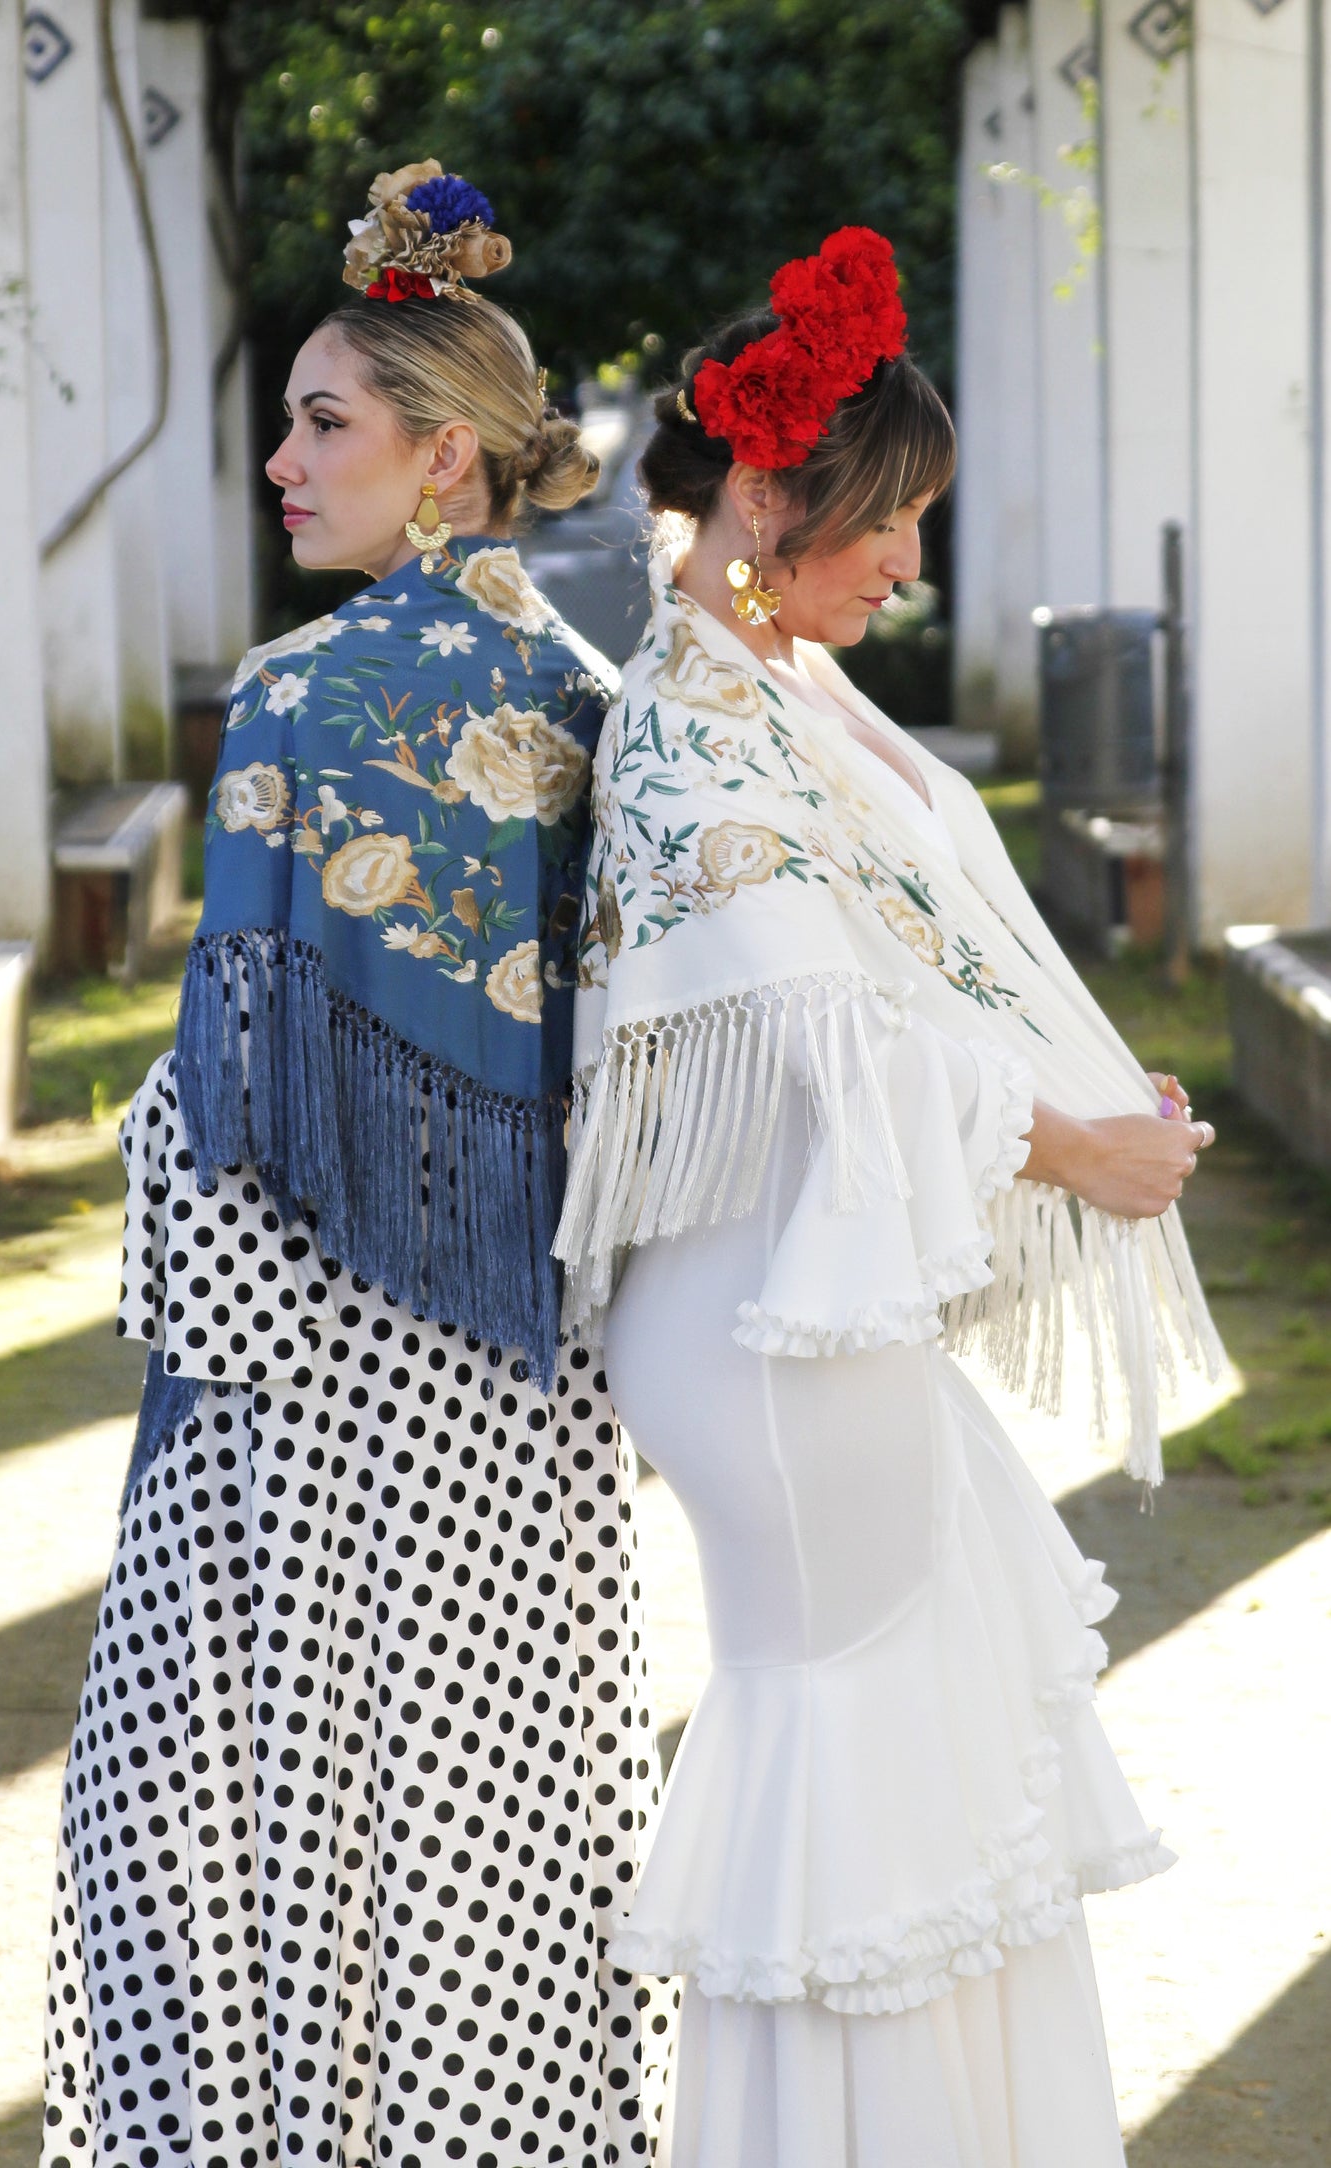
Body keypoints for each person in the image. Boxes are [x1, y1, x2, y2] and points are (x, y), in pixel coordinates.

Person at [551, 226, 1226, 2166]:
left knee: (923, 1793)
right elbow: (835, 1032)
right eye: (892, 521)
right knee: (868, 1796)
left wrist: (1090, 1095)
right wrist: (1077, 1146)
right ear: (769, 492)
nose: (912, 567)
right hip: (768, 1332)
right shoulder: (691, 720)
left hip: (800, 1302)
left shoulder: (771, 685)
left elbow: (915, 968)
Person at [41, 161, 667, 2168]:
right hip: (531, 1415)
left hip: (302, 1430)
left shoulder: (303, 702)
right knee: (501, 1890)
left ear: (454, 459)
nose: (278, 459)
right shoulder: (601, 713)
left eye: (327, 422)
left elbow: (231, 1150)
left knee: (269, 1905)